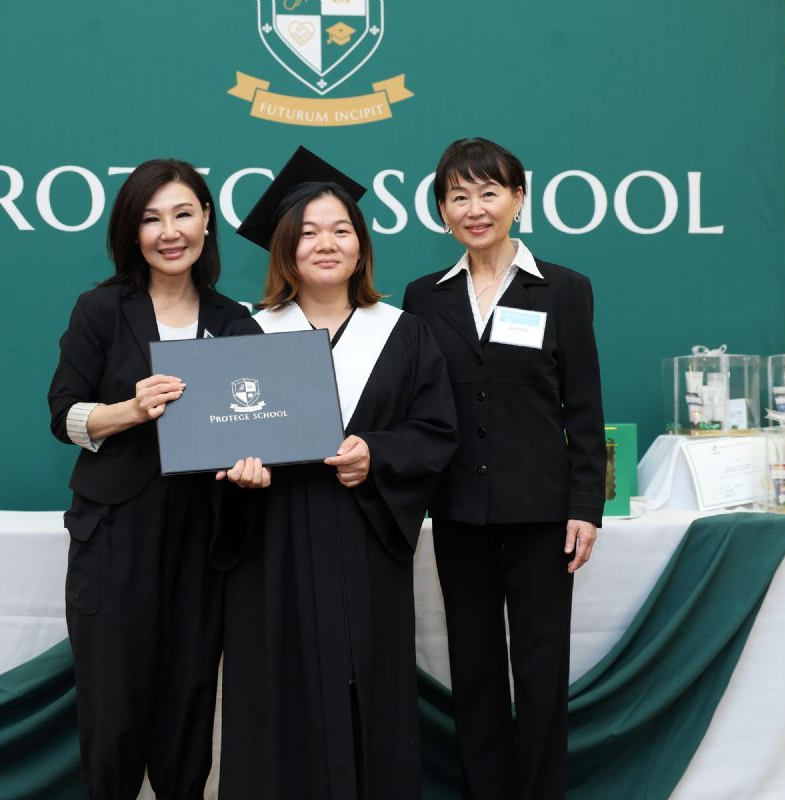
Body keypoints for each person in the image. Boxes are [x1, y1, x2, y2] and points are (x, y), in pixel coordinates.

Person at [214, 147, 459, 800]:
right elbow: (220, 442)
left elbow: (436, 432)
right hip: (273, 543)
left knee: (368, 686)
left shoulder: (404, 333)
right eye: (309, 233)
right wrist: (237, 475)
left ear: (362, 246)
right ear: (285, 250)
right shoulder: (247, 334)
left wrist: (377, 453)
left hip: (363, 537)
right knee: (276, 685)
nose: (326, 244)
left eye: (341, 230)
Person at [402, 137, 606, 800]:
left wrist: (586, 507)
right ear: (442, 210)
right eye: (458, 196)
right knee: (475, 667)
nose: (475, 208)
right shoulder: (424, 298)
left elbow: (584, 408)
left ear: (518, 198)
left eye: (489, 192)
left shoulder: (564, 290)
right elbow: (418, 406)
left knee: (542, 670)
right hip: (459, 510)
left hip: (543, 513)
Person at [47, 159, 254, 799]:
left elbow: (256, 429)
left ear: (207, 221)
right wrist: (130, 411)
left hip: (203, 541)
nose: (170, 232)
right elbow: (63, 416)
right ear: (131, 232)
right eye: (151, 218)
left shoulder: (235, 321)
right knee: (112, 715)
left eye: (183, 214)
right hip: (115, 535)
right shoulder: (101, 310)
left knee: (188, 715)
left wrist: (255, 466)